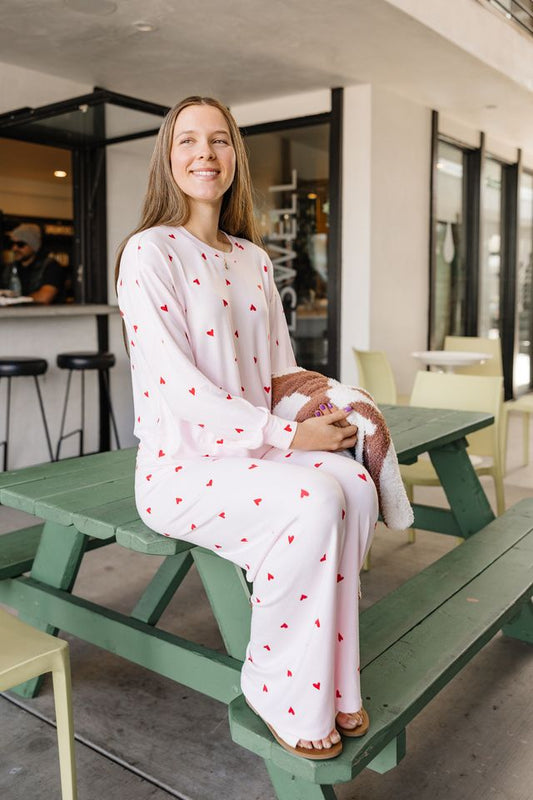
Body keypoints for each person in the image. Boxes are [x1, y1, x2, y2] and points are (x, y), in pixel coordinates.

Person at [116, 96, 378, 760]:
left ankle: (334, 683)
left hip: (256, 450)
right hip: (183, 470)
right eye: (188, 142)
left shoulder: (254, 260)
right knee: (314, 499)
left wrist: (327, 411)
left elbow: (278, 372)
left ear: (235, 157)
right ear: (168, 160)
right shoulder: (149, 253)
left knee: (351, 483)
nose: (205, 153)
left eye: (219, 140)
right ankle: (280, 688)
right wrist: (290, 439)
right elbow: (178, 386)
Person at [2, 223, 66, 304]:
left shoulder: (51, 267)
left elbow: (44, 297)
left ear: (33, 245)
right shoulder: (9, 268)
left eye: (20, 244)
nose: (14, 248)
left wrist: (15, 300)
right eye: (12, 244)